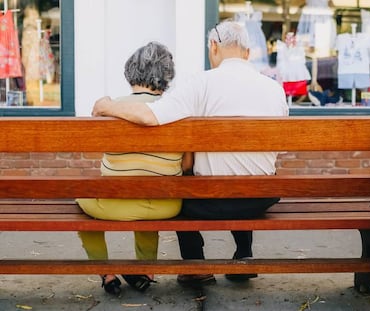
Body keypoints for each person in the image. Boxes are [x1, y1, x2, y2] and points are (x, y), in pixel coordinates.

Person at [92, 20, 289, 286]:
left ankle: (196, 266)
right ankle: (244, 255)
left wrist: (106, 106)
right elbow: (280, 149)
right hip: (261, 197)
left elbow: (150, 116)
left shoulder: (201, 83)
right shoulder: (274, 89)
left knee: (181, 190)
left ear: (214, 46)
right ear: (247, 53)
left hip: (211, 200)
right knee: (247, 172)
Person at [77, 41, 185, 295]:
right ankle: (146, 269)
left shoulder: (111, 108)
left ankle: (106, 273)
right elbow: (187, 163)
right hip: (165, 205)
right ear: (167, 76)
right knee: (149, 190)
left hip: (112, 204)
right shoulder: (177, 110)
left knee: (82, 201)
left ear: (130, 71)